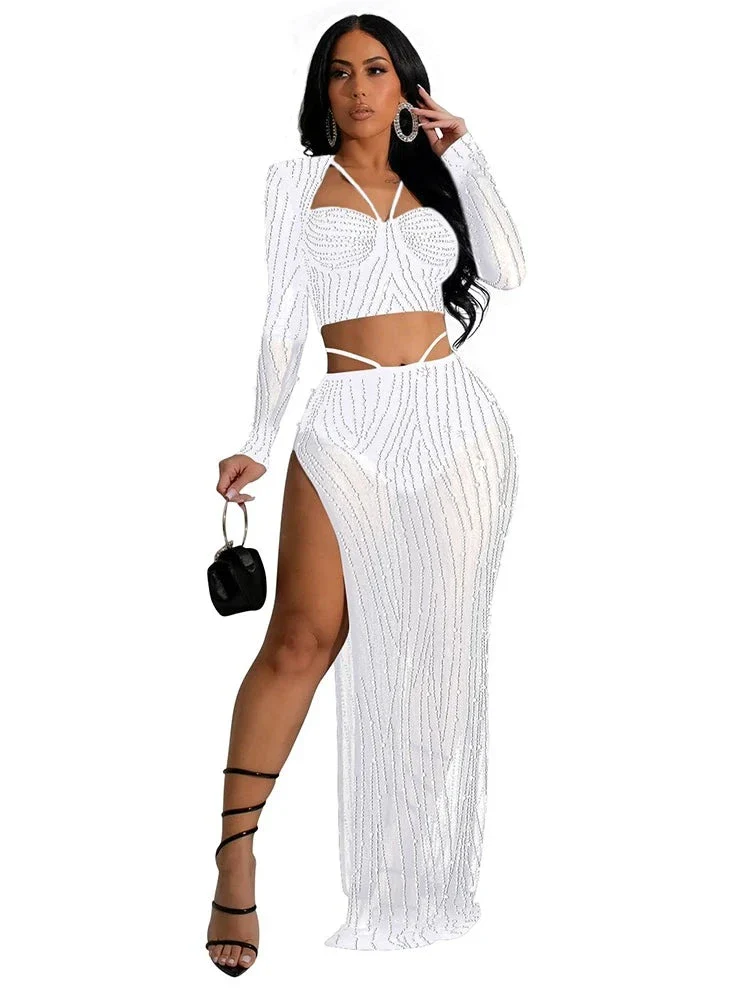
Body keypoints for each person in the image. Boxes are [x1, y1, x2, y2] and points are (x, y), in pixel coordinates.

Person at [207, 13, 526, 974]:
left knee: (437, 652)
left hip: (456, 425)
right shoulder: (294, 185)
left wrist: (465, 153)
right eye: (340, 72)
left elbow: (509, 271)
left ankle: (412, 879)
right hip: (346, 421)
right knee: (301, 639)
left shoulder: (440, 180)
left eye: (377, 69)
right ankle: (234, 855)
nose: (358, 88)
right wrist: (259, 440)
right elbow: (281, 323)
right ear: (324, 90)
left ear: (404, 85)